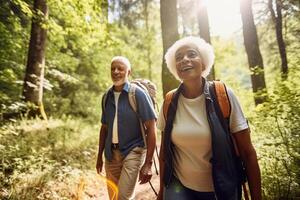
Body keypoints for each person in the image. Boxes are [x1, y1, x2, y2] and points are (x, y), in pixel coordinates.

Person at [157, 37, 261, 200]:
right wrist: (161, 193)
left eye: (191, 54)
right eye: (178, 57)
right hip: (178, 187)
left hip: (221, 189)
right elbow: (164, 153)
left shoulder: (223, 94)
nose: (185, 59)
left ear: (204, 63)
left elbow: (247, 152)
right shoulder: (169, 101)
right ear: (175, 69)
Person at [96, 56, 157, 200]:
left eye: (120, 68)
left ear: (128, 72)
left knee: (123, 197)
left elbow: (151, 128)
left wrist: (148, 164)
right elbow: (104, 128)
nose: (116, 72)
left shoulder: (138, 94)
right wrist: (99, 156)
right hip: (111, 155)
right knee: (114, 197)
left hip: (133, 152)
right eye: (113, 69)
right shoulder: (106, 97)